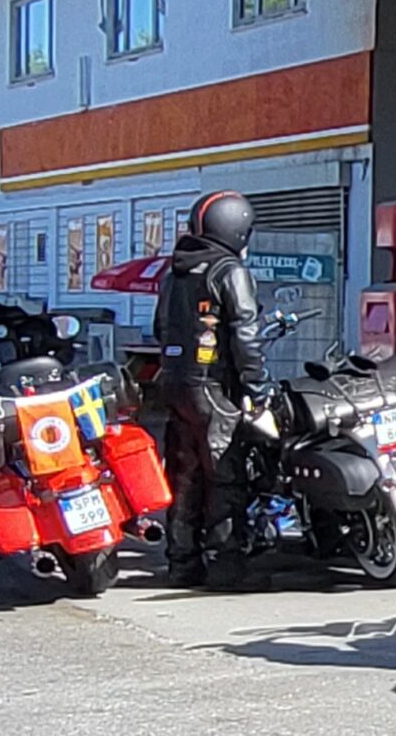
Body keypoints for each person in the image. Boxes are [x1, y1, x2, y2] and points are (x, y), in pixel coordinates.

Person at [154, 192, 271, 590]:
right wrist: (257, 387)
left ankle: (182, 563)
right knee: (224, 475)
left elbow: (160, 328)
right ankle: (226, 567)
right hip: (214, 387)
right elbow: (245, 336)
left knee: (184, 474)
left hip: (175, 381)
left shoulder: (175, 272)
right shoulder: (229, 271)